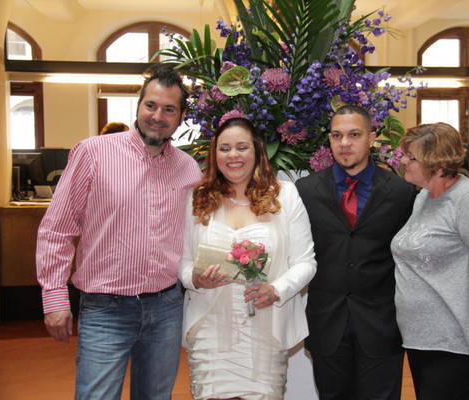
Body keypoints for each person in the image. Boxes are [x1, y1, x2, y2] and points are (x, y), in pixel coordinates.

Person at [36, 65, 202, 399]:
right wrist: (54, 297)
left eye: (169, 109)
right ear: (138, 106)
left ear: (181, 117)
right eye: (151, 105)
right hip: (105, 309)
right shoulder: (93, 153)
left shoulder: (188, 169)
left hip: (166, 307)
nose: (158, 116)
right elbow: (57, 228)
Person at [179, 117, 317, 400]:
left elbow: (306, 262)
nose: (233, 155)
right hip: (210, 327)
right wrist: (195, 278)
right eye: (224, 148)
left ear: (257, 151)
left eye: (241, 147)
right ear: (214, 154)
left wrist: (276, 290)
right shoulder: (198, 197)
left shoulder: (284, 195)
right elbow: (182, 261)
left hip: (266, 326)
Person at [295, 105, 416, 400]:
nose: (345, 143)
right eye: (337, 135)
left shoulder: (402, 193)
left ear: (371, 138)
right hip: (327, 323)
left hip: (382, 324)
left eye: (354, 135)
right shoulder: (306, 190)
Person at [391, 122, 469, 400]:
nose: (403, 162)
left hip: (456, 341)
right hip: (421, 339)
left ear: (437, 165)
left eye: (412, 157)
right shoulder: (424, 197)